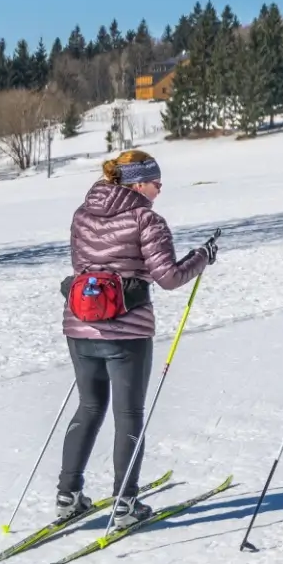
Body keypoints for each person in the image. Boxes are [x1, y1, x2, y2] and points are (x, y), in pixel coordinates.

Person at [58, 149, 214, 530]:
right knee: (129, 414)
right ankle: (126, 502)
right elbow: (169, 277)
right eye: (156, 183)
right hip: (127, 330)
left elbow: (83, 267)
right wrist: (203, 257)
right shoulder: (147, 219)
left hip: (80, 324)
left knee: (89, 407)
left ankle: (68, 495)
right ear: (138, 182)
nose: (160, 190)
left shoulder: (82, 213)